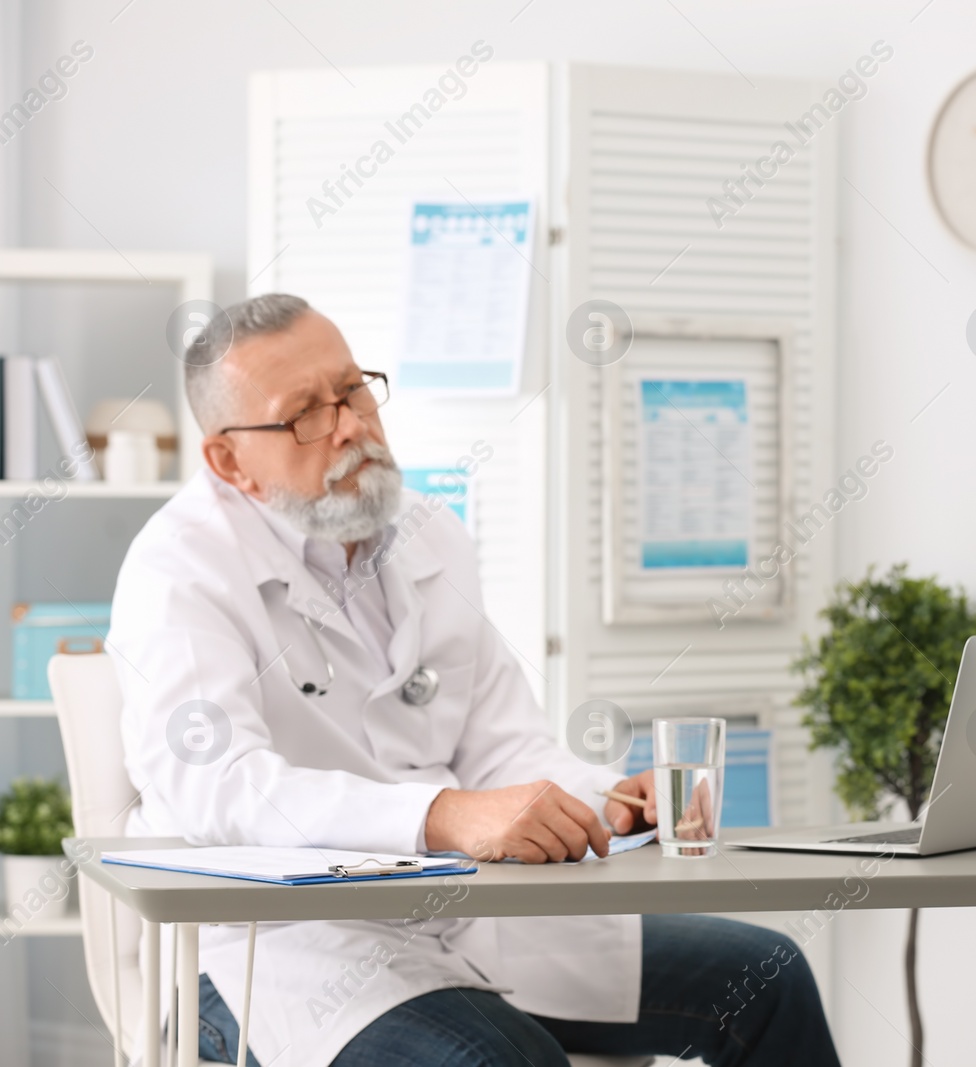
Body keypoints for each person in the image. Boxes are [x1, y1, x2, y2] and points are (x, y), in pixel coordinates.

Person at [109, 293, 842, 1067]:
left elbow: (505, 747)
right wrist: (442, 815)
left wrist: (611, 800)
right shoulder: (179, 571)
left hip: (464, 915)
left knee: (769, 978)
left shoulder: (432, 535)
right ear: (229, 460)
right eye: (305, 415)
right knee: (506, 1062)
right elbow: (217, 787)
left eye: (353, 390)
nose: (352, 424)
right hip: (275, 949)